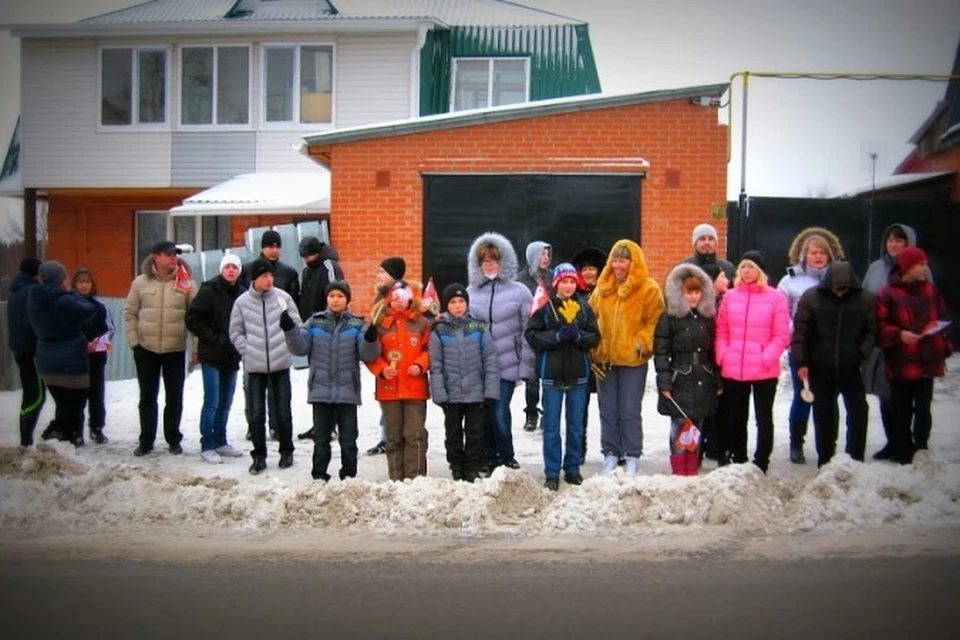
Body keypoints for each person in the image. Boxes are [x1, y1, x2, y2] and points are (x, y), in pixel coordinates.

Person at [284, 281, 380, 482]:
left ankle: (349, 476)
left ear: (347, 300)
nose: (335, 300)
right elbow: (300, 348)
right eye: (332, 296)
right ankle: (319, 475)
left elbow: (367, 354)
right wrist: (290, 330)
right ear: (326, 299)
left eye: (340, 296)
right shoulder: (315, 322)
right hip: (321, 390)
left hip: (347, 391)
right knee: (321, 439)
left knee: (348, 439)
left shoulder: (356, 324)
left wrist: (371, 338)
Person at [589, 239, 664, 476]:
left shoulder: (649, 289)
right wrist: (594, 346)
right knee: (608, 409)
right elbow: (589, 318)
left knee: (630, 410)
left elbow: (656, 322)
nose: (618, 265)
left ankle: (632, 455)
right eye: (615, 259)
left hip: (633, 361)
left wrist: (641, 343)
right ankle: (611, 453)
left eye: (623, 260)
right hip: (604, 361)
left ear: (634, 262)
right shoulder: (602, 289)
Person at [791, 261, 876, 467]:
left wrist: (860, 354)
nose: (839, 293)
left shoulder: (865, 300)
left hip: (851, 366)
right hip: (820, 366)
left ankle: (855, 458)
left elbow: (872, 331)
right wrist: (802, 362)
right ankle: (826, 459)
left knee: (858, 411)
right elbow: (800, 333)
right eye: (836, 289)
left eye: (844, 289)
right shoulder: (812, 298)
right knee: (824, 414)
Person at [714, 250, 790, 473]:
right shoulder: (730, 296)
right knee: (737, 418)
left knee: (763, 418)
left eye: (751, 267)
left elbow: (781, 336)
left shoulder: (776, 297)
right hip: (734, 368)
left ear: (761, 271)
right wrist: (723, 355)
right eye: (743, 267)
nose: (747, 271)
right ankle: (739, 459)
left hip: (764, 370)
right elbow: (722, 331)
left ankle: (761, 462)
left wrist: (765, 357)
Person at [525, 263, 599, 490]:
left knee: (576, 426)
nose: (568, 286)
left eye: (572, 282)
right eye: (564, 282)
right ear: (556, 283)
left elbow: (595, 337)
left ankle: (573, 468)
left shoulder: (584, 309)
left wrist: (577, 336)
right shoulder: (546, 309)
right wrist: (557, 336)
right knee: (551, 427)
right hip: (551, 376)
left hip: (578, 375)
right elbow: (532, 336)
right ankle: (552, 472)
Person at [466, 232, 535, 472]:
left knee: (499, 412)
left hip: (507, 364)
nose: (490, 265)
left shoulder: (520, 292)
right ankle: (489, 456)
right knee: (484, 415)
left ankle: (506, 456)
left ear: (503, 262)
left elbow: (528, 331)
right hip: (480, 366)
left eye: (494, 260)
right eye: (485, 261)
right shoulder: (470, 293)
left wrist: (526, 367)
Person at [876, 246, 952, 465]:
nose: (925, 268)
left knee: (923, 409)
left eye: (927, 263)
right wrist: (899, 335)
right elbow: (878, 327)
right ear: (908, 266)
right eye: (921, 264)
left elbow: (943, 317)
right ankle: (902, 453)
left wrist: (943, 344)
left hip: (927, 361)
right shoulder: (887, 293)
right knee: (901, 410)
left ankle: (921, 449)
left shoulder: (930, 290)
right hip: (901, 363)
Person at [777, 227, 844, 465]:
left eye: (822, 253)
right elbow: (781, 313)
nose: (818, 257)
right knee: (804, 395)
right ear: (803, 254)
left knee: (829, 398)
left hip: (830, 349)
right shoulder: (790, 281)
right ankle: (797, 442)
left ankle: (829, 444)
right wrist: (793, 336)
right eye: (813, 252)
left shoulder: (838, 278)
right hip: (801, 347)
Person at [124, 241, 198, 456]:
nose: (173, 257)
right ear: (156, 257)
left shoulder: (186, 283)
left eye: (175, 254)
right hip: (146, 349)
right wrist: (134, 342)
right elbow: (130, 313)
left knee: (174, 397)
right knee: (147, 397)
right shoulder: (140, 283)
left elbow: (196, 318)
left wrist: (195, 349)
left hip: (174, 349)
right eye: (168, 254)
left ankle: (173, 438)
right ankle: (146, 440)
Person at [862, 223, 927, 461]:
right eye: (890, 240)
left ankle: (916, 446)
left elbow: (927, 306)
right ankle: (894, 441)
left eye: (899, 240)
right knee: (886, 395)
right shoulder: (875, 268)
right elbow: (866, 300)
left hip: (912, 346)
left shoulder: (921, 270)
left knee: (913, 400)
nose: (894, 244)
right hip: (883, 343)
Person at [230, 258, 301, 475]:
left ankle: (287, 451)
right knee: (257, 413)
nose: (269, 279)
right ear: (254, 278)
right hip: (255, 366)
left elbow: (297, 326)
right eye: (264, 276)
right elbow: (235, 331)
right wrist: (248, 349)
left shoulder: (283, 298)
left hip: (280, 363)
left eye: (271, 275)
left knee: (283, 411)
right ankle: (259, 455)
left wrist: (286, 344)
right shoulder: (242, 303)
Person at [428, 283, 500, 482]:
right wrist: (440, 394)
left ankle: (472, 466)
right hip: (451, 393)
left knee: (475, 433)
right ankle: (456, 465)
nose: (458, 306)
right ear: (446, 305)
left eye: (461, 301)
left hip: (476, 392)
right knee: (453, 433)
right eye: (453, 302)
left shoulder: (478, 326)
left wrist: (490, 391)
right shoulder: (439, 329)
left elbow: (490, 359)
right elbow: (436, 365)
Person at [653, 263, 719, 476]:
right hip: (679, 376)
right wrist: (664, 382)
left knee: (697, 423)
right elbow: (661, 352)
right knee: (680, 423)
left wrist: (717, 379)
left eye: (697, 292)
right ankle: (679, 467)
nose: (693, 297)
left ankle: (692, 467)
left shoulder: (707, 319)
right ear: (680, 293)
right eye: (688, 292)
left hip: (704, 375)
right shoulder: (670, 318)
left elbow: (713, 351)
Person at [680, 223, 736, 464]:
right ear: (694, 243)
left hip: (721, 344)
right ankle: (694, 450)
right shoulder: (685, 268)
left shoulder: (727, 268)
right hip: (694, 344)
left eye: (710, 239)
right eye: (701, 239)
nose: (706, 243)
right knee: (694, 403)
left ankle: (717, 446)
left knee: (719, 401)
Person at [27, 261, 97, 447]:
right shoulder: (64, 300)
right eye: (66, 278)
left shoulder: (34, 298)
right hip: (70, 362)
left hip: (46, 362)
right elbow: (89, 310)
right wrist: (74, 294)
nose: (68, 281)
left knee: (64, 404)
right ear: (59, 280)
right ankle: (58, 436)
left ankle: (62, 439)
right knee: (74, 405)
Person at [366, 281, 431, 480]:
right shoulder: (379, 324)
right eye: (394, 299)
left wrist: (421, 364)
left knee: (415, 435)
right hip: (389, 389)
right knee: (394, 437)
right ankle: (396, 479)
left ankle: (416, 479)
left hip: (415, 389)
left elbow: (430, 350)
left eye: (402, 298)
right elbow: (369, 354)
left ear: (410, 298)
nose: (399, 303)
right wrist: (382, 369)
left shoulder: (421, 322)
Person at [185, 253, 246, 464]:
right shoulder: (209, 290)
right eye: (228, 267)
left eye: (235, 267)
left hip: (232, 355)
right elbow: (192, 319)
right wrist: (213, 338)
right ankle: (207, 444)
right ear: (222, 269)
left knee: (226, 402)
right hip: (212, 355)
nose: (231, 270)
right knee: (212, 401)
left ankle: (221, 440)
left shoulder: (243, 293)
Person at [241, 229, 300, 442]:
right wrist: (245, 344)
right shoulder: (247, 270)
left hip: (278, 338)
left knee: (279, 390)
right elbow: (241, 306)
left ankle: (277, 426)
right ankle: (253, 425)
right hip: (255, 338)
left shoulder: (289, 273)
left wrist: (290, 336)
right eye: (270, 246)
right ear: (262, 247)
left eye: (277, 246)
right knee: (252, 386)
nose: (274, 250)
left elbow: (294, 307)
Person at [295, 237, 345, 440]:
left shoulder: (329, 266)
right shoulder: (307, 271)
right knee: (317, 380)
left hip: (328, 331)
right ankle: (320, 424)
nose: (306, 259)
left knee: (331, 378)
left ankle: (331, 425)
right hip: (312, 329)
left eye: (309, 255)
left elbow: (337, 294)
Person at [363, 256, 407, 455]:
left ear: (393, 274)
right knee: (387, 400)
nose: (378, 275)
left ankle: (394, 439)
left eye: (383, 271)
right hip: (385, 355)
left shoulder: (402, 295)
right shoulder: (381, 295)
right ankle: (386, 438)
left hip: (401, 354)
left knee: (400, 402)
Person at [7, 257, 47, 446]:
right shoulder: (32, 292)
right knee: (36, 396)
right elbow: (31, 323)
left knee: (31, 393)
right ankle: (26, 439)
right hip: (30, 351)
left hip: (19, 348)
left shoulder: (17, 291)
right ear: (36, 273)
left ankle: (26, 439)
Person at [571, 246, 606, 460]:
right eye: (584, 269)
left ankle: (612, 448)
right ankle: (578, 448)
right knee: (578, 407)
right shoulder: (574, 294)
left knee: (608, 407)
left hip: (603, 357)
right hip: (581, 356)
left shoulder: (606, 292)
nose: (588, 273)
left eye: (592, 268)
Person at [72, 268, 114, 445]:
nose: (84, 285)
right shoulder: (69, 304)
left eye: (87, 282)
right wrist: (82, 343)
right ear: (75, 284)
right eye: (80, 282)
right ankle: (76, 431)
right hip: (75, 357)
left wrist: (97, 342)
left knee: (96, 394)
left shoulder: (100, 306)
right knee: (77, 395)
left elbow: (110, 329)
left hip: (97, 356)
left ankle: (96, 428)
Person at [518, 240, 553, 432]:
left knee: (548, 375)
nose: (546, 258)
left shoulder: (553, 277)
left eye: (548, 254)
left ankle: (548, 414)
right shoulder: (520, 280)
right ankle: (531, 413)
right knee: (531, 378)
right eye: (542, 254)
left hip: (548, 333)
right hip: (529, 333)